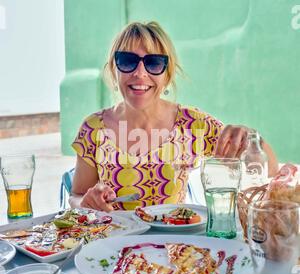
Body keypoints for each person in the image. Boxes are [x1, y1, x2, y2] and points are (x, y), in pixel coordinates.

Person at [69, 21, 278, 212]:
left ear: (167, 75)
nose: (140, 73)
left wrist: (250, 138)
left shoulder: (191, 124)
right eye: (127, 60)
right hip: (113, 246)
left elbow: (270, 169)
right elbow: (77, 196)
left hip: (176, 247)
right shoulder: (93, 128)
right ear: (114, 69)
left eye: (153, 63)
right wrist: (87, 202)